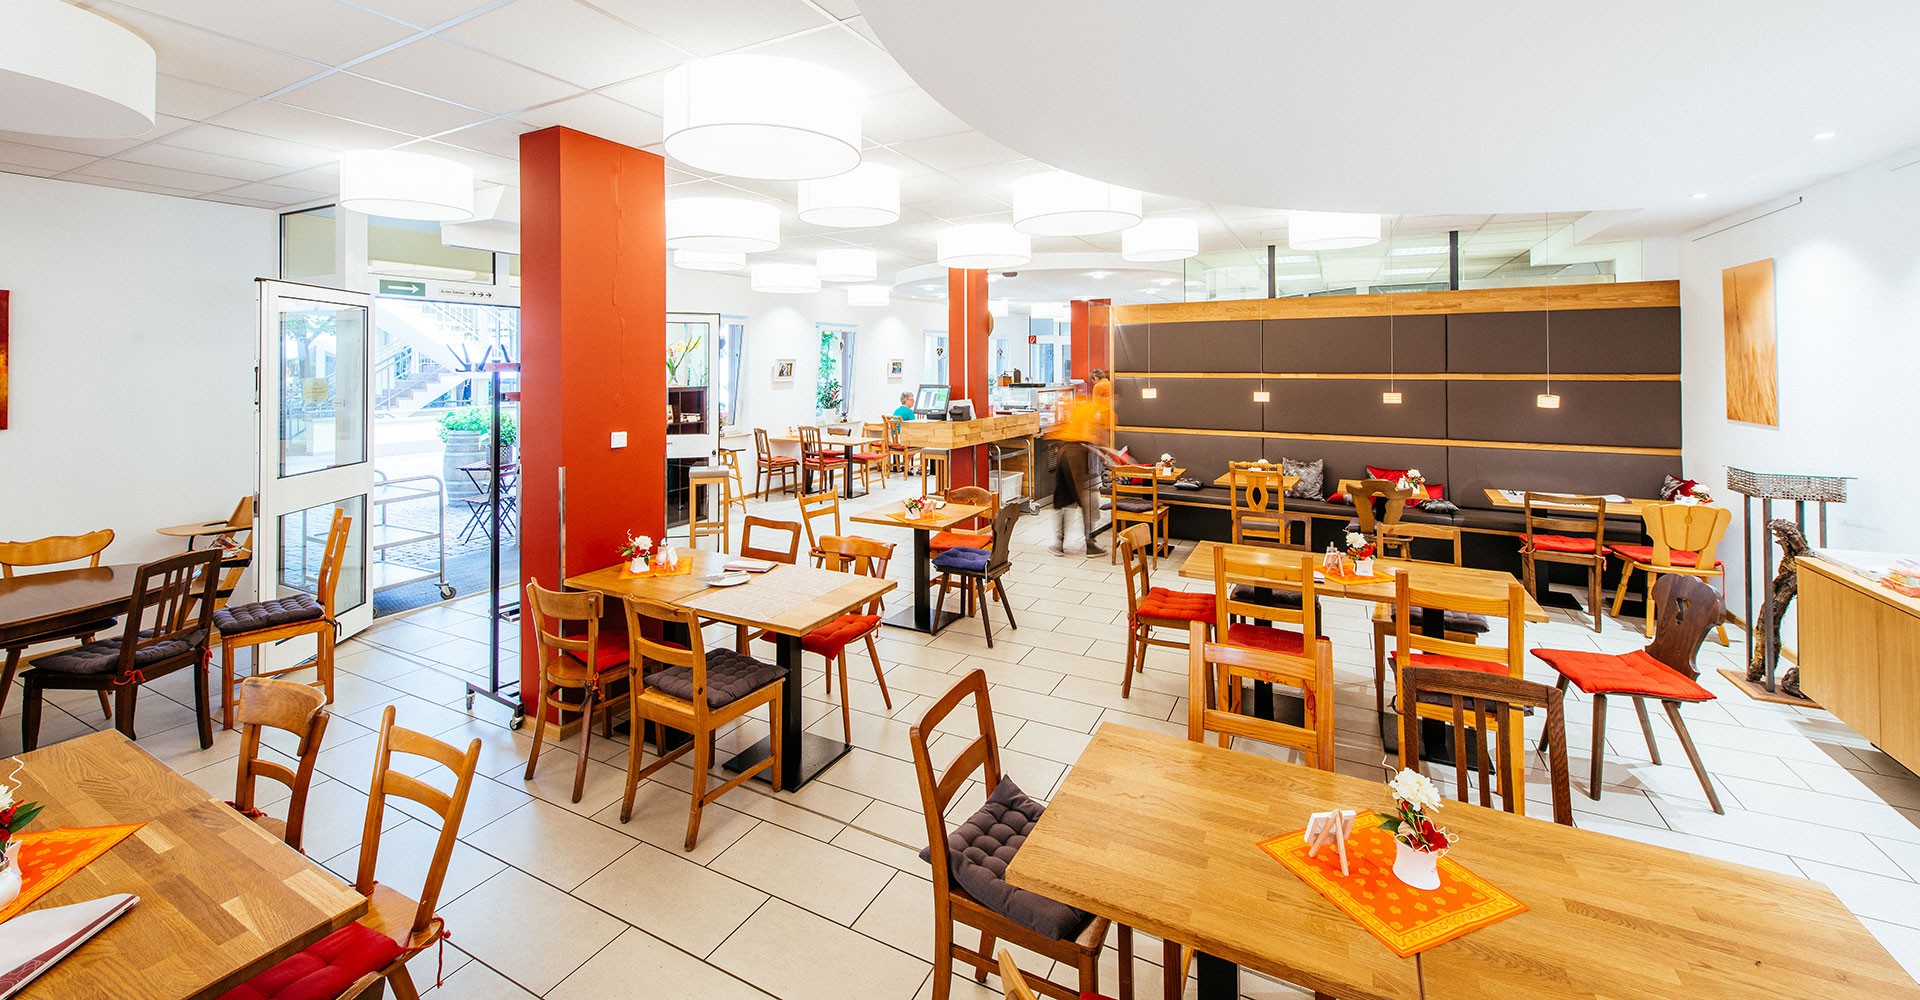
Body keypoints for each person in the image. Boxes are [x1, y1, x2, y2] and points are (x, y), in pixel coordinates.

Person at [1047, 380, 1105, 556]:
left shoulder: (1082, 405)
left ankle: (1058, 544)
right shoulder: (1096, 409)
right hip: (1075, 456)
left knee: (1063, 498)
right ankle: (1090, 544)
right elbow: (1094, 432)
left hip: (1064, 452)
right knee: (1085, 500)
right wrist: (1104, 449)